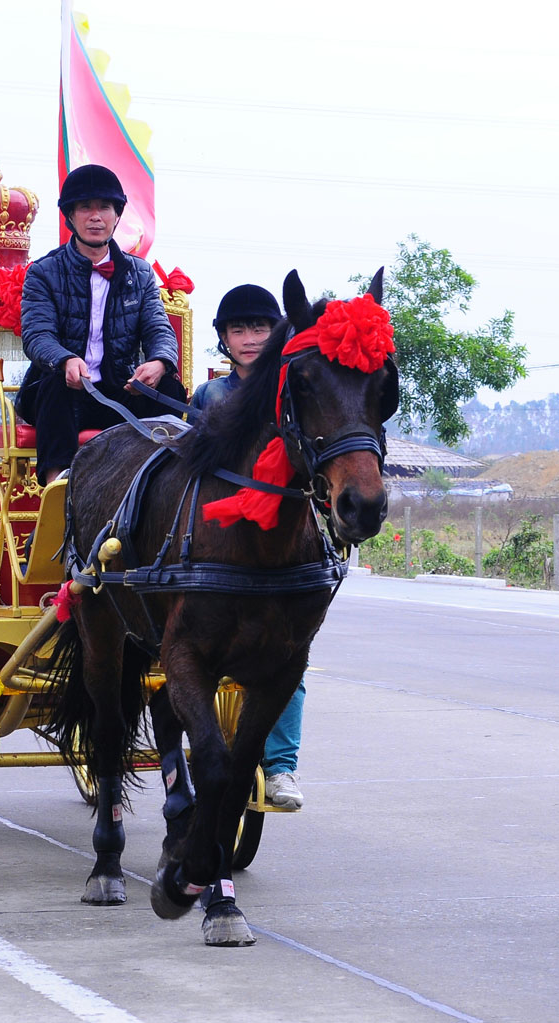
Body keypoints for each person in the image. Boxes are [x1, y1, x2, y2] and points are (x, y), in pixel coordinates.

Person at [190, 284, 306, 810]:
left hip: (277, 543)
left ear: (277, 332)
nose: (251, 339)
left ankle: (281, 768)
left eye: (261, 328)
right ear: (223, 339)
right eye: (240, 330)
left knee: (290, 660)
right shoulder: (209, 398)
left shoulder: (294, 389)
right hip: (216, 542)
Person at [16, 164, 186, 484]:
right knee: (55, 383)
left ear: (116, 215)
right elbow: (38, 335)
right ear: (70, 216)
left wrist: (160, 362)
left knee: (168, 388)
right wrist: (65, 359)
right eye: (86, 207)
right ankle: (58, 487)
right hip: (64, 394)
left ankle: (157, 483)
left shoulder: (140, 273)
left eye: (104, 207)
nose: (96, 216)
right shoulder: (43, 272)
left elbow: (158, 329)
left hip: (116, 390)